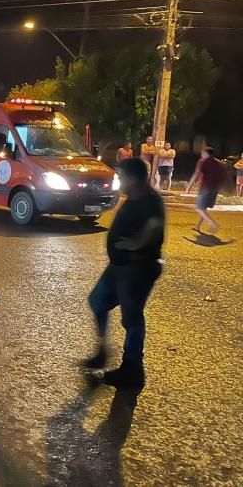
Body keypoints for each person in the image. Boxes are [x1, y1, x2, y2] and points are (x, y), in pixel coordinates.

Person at [83, 158, 164, 389]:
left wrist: (136, 243)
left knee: (132, 317)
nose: (120, 180)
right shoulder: (136, 197)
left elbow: (155, 225)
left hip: (136, 269)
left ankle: (132, 369)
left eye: (122, 176)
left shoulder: (150, 199)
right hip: (120, 267)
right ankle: (102, 351)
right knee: (97, 301)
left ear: (135, 178)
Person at [186, 147, 227, 234]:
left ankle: (213, 223)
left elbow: (196, 172)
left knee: (199, 208)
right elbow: (224, 176)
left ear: (206, 153)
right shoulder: (219, 163)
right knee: (203, 208)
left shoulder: (202, 161)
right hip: (215, 188)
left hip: (205, 187)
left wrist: (189, 186)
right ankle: (197, 227)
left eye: (202, 153)